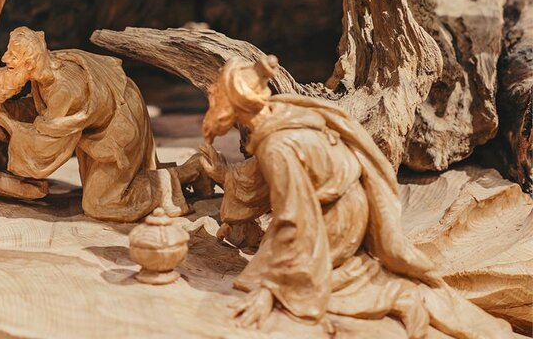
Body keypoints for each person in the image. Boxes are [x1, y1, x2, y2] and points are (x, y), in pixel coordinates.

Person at [198, 56, 511, 338]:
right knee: (274, 256)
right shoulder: (284, 112)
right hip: (348, 206)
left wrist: (269, 288)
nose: (212, 94)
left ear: (234, 103)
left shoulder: (276, 146)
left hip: (337, 219)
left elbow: (295, 217)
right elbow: (264, 173)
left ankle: (395, 295)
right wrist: (226, 175)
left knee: (291, 276)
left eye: (217, 92)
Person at [0, 27, 192, 222]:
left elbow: (43, 143)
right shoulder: (49, 69)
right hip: (110, 113)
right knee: (105, 190)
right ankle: (188, 173)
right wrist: (2, 105)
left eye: (10, 66)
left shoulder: (64, 91)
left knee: (101, 204)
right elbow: (41, 112)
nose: (6, 65)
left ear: (29, 64)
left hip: (118, 126)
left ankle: (175, 179)